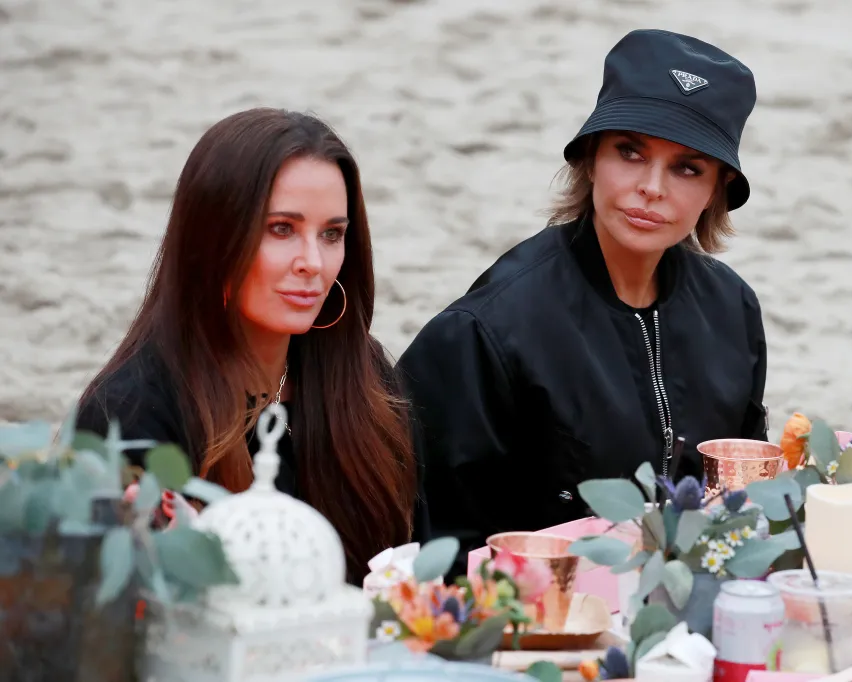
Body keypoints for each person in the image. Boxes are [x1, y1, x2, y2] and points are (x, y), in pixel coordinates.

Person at [397, 30, 768, 573]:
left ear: (717, 187)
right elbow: (439, 547)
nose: (652, 187)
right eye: (630, 152)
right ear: (592, 157)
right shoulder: (484, 331)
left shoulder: (733, 310)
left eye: (687, 167)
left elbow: (745, 494)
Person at [75, 108, 427, 583]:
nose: (313, 262)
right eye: (281, 228)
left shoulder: (365, 379)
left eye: (332, 234)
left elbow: (412, 568)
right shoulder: (132, 413)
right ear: (214, 239)